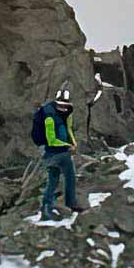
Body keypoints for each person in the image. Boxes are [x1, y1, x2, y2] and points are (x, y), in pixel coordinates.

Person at [38, 88, 85, 221]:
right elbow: (51, 139)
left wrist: (73, 143)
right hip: (53, 153)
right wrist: (67, 145)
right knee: (63, 178)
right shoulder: (50, 118)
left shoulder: (66, 116)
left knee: (59, 179)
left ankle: (50, 207)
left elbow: (69, 130)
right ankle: (61, 205)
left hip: (62, 152)